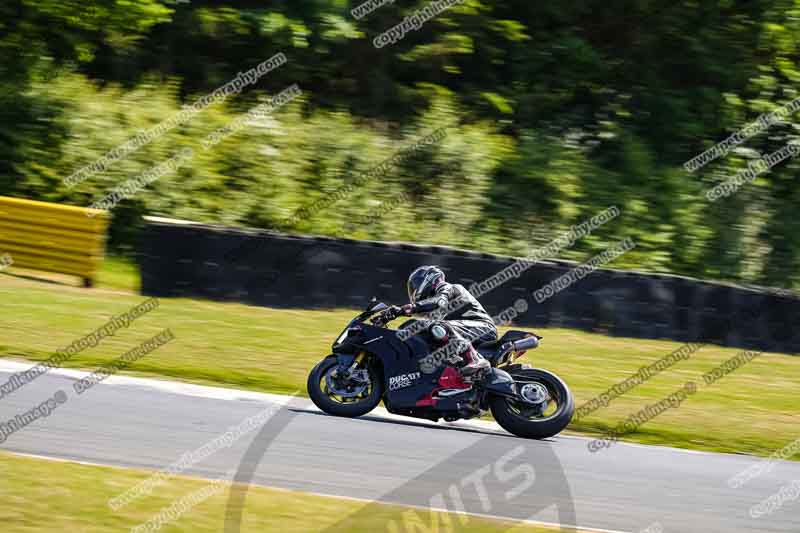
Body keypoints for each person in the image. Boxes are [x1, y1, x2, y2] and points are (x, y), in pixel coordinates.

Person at [388, 265, 497, 378]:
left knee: (438, 326)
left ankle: (474, 359)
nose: (413, 290)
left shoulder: (447, 287)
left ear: (428, 279)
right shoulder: (435, 310)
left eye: (415, 285)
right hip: (465, 332)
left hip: (482, 327)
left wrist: (411, 307)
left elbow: (439, 301)